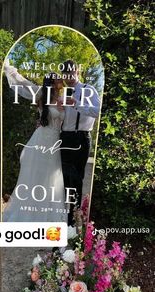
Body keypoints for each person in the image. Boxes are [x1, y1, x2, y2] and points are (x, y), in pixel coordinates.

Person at [2, 65, 68, 222]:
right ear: (52, 82)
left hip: (55, 140)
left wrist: (62, 108)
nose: (61, 81)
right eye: (58, 79)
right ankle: (30, 214)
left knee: (53, 176)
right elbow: (24, 83)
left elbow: (67, 122)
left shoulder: (63, 99)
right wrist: (11, 71)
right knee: (35, 175)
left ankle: (49, 216)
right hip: (41, 138)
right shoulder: (41, 94)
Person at [60, 60, 100, 225]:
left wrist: (76, 104)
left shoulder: (88, 90)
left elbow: (97, 111)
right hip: (64, 138)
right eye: (65, 73)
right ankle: (66, 216)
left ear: (77, 71)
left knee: (77, 178)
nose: (68, 76)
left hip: (81, 137)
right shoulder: (61, 93)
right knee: (65, 179)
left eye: (71, 72)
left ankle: (73, 217)